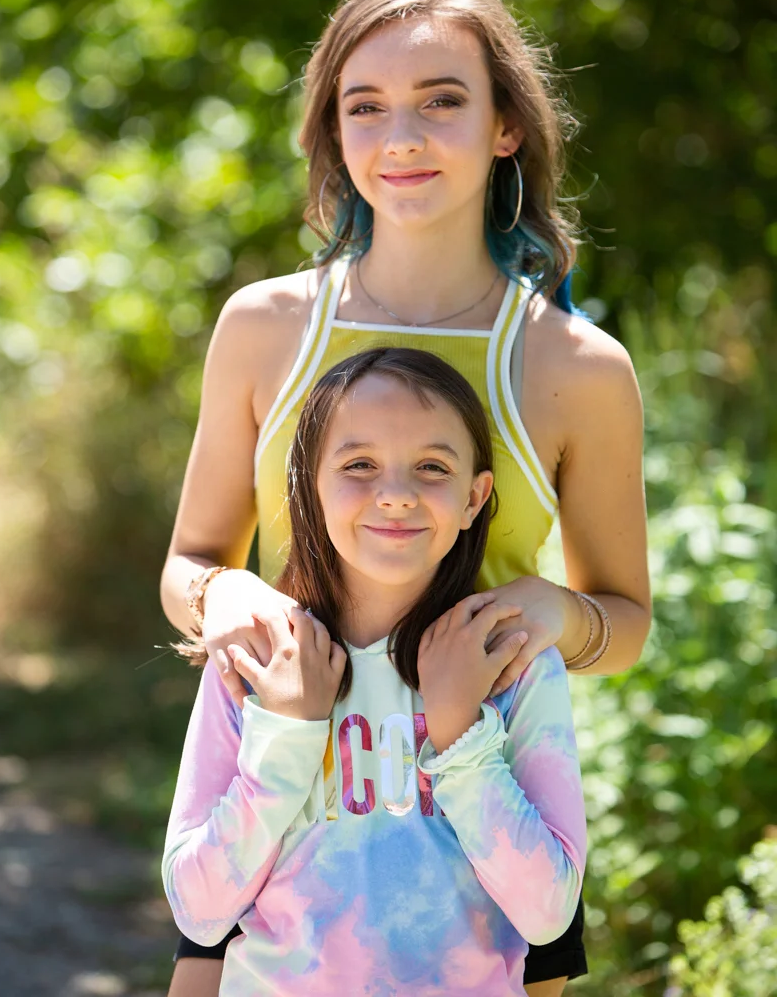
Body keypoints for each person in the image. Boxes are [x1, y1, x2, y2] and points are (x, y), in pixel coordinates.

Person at [160, 0, 651, 996]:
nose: (402, 137)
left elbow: (624, 620)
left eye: (440, 101)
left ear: (505, 125)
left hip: (486, 853)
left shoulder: (575, 368)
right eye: (366, 107)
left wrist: (551, 613)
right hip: (275, 827)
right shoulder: (265, 328)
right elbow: (190, 562)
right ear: (333, 131)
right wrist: (224, 594)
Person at [162, 346, 588, 997]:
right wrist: (285, 736)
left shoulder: (514, 664)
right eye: (359, 465)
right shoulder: (255, 659)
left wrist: (461, 735)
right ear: (308, 485)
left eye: (432, 467)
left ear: (475, 498)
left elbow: (548, 913)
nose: (395, 495)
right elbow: (198, 910)